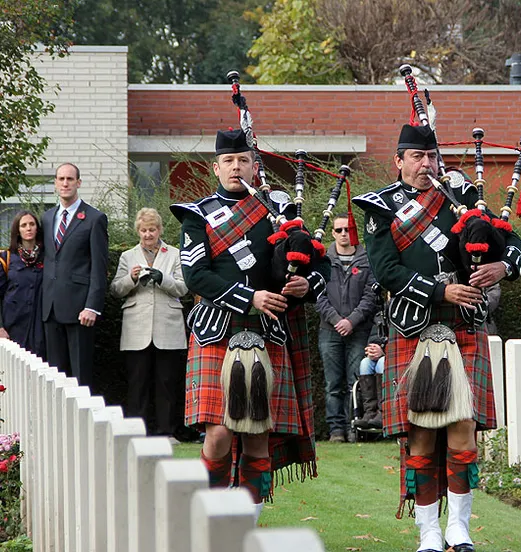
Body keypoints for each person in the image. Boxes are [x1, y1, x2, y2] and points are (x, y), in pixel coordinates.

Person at [353, 124, 521, 552]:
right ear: (399, 160)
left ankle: (459, 528)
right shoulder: (380, 206)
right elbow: (385, 268)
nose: (426, 164)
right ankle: (428, 531)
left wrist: (503, 267)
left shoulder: (462, 195)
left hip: (463, 322)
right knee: (422, 434)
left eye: (431, 156)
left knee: (463, 425)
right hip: (415, 326)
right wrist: (439, 289)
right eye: (416, 156)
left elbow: (512, 241)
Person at [170, 129, 328, 518]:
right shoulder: (199, 214)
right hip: (216, 331)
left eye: (243, 160)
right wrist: (250, 297)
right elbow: (196, 276)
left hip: (266, 334)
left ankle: (246, 527)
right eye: (229, 161)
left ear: (255, 166)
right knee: (219, 433)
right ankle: (212, 518)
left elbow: (318, 262)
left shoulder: (280, 210)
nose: (236, 167)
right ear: (216, 168)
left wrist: (306, 282)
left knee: (258, 436)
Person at [110, 208, 188, 442]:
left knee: (167, 382)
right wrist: (132, 278)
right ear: (138, 231)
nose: (147, 234)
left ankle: (167, 431)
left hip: (168, 325)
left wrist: (161, 278)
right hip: (136, 327)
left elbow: (183, 288)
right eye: (143, 230)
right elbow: (115, 289)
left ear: (160, 230)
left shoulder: (174, 254)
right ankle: (138, 431)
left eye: (152, 230)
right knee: (138, 382)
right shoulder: (128, 256)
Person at [41, 163, 109, 386]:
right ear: (55, 183)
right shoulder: (48, 218)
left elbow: (99, 267)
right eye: (61, 179)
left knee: (81, 379)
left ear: (78, 183)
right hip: (50, 308)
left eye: (70, 179)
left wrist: (92, 306)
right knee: (55, 379)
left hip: (80, 310)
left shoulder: (94, 218)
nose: (65, 183)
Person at [315, 213, 377, 442]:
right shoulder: (321, 260)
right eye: (338, 230)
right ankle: (336, 431)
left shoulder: (368, 260)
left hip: (358, 329)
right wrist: (336, 319)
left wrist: (351, 320)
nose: (343, 234)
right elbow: (317, 295)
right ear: (332, 233)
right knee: (333, 383)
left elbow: (371, 296)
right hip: (329, 330)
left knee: (356, 381)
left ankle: (354, 427)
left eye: (347, 230)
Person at [0, 210, 46, 358]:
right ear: (17, 230)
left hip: (40, 327)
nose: (28, 228)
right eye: (24, 225)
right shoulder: (6, 258)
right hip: (13, 325)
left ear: (37, 228)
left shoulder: (48, 257)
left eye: (32, 224)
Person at [354, 313, 387, 430]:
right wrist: (372, 349)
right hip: (380, 354)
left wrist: (383, 349)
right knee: (365, 363)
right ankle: (370, 413)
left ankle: (383, 412)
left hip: (391, 356)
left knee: (382, 363)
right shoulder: (380, 314)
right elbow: (373, 336)